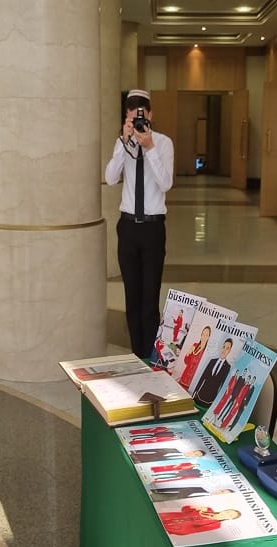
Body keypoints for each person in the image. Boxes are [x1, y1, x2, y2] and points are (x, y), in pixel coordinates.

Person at [104, 89, 174, 359]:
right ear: (127, 118)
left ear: (151, 115)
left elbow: (165, 183)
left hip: (154, 229)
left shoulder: (164, 143)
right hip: (129, 228)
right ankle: (137, 356)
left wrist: (149, 148)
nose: (139, 124)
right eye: (133, 119)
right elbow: (110, 178)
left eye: (142, 117)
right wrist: (124, 142)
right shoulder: (123, 143)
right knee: (132, 298)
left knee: (150, 299)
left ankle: (150, 357)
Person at [192, 338, 233, 405]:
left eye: (227, 348)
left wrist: (218, 402)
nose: (224, 350)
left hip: (211, 401)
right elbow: (202, 377)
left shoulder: (228, 367)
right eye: (223, 347)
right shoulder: (212, 361)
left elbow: (223, 386)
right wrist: (195, 392)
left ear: (229, 351)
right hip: (199, 396)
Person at [159, 505, 240, 536]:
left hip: (176, 527)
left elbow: (194, 530)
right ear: (225, 509)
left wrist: (177, 529)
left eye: (230, 515)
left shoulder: (216, 525)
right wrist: (195, 508)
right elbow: (184, 509)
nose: (227, 513)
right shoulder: (208, 509)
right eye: (228, 511)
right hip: (171, 516)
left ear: (230, 518)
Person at [178, 325, 211, 389]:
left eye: (206, 335)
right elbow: (186, 361)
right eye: (203, 334)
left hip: (193, 383)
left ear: (209, 337)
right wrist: (188, 353)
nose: (204, 337)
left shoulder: (207, 352)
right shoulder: (195, 345)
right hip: (184, 378)